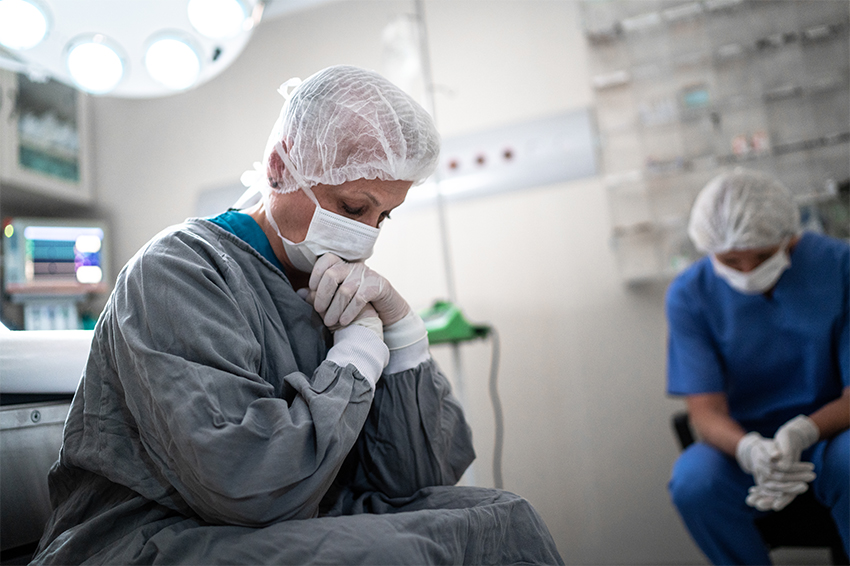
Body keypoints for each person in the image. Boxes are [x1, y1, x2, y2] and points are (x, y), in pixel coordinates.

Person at [31, 65, 563, 565]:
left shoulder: (326, 285)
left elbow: (414, 482)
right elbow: (245, 485)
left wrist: (400, 338)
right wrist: (353, 360)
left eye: (385, 216)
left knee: (505, 518)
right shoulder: (178, 271)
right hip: (150, 538)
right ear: (280, 168)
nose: (369, 236)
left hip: (292, 522)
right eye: (355, 208)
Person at [666, 169, 849, 565]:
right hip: (744, 446)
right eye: (731, 260)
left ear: (790, 235)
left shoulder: (841, 267)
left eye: (763, 256)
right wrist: (747, 448)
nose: (747, 273)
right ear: (708, 250)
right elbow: (706, 411)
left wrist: (804, 431)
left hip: (835, 433)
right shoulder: (689, 295)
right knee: (694, 482)